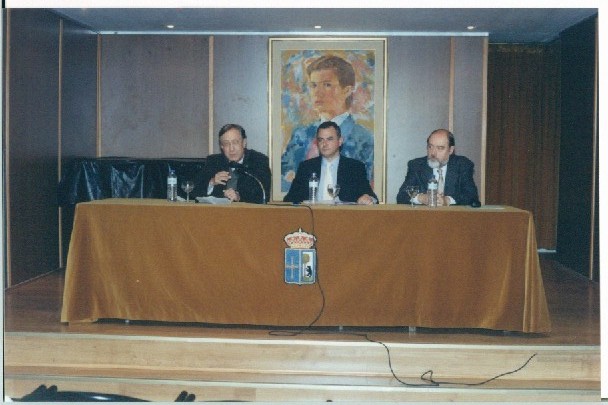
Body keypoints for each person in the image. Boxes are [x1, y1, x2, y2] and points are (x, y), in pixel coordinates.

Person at [280, 55, 374, 193]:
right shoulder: (300, 134)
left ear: (347, 90)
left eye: (327, 85)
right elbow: (284, 173)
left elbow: (366, 186)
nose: (317, 92)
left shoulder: (363, 138)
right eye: (313, 85)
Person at [284, 121, 377, 205]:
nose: (324, 144)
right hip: (312, 219)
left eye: (329, 139)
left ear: (340, 141)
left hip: (343, 219)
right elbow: (289, 199)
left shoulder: (355, 168)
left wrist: (368, 199)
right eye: (320, 140)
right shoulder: (306, 167)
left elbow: (371, 197)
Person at [396, 129, 479, 206]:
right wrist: (421, 198)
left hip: (454, 218)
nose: (433, 153)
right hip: (424, 218)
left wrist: (447, 200)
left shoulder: (463, 165)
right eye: (430, 147)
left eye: (440, 148)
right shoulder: (416, 165)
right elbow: (401, 196)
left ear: (451, 150)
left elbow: (471, 196)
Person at [194, 123, 271, 204]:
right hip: (217, 214)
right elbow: (193, 192)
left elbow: (263, 195)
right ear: (222, 147)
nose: (231, 148)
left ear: (244, 143)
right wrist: (211, 183)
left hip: (248, 214)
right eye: (226, 144)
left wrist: (239, 197)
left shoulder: (259, 161)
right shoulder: (214, 161)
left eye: (235, 142)